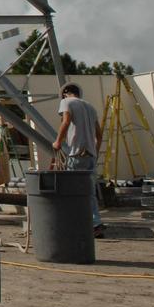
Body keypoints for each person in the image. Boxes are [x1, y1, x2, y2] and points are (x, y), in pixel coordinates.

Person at [53, 81, 104, 237]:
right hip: (90, 155)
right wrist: (94, 152)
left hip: (76, 153)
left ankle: (75, 224)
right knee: (89, 192)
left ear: (65, 93)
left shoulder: (66, 102)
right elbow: (99, 135)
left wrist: (58, 141)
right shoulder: (90, 106)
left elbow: (66, 121)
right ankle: (96, 224)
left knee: (73, 191)